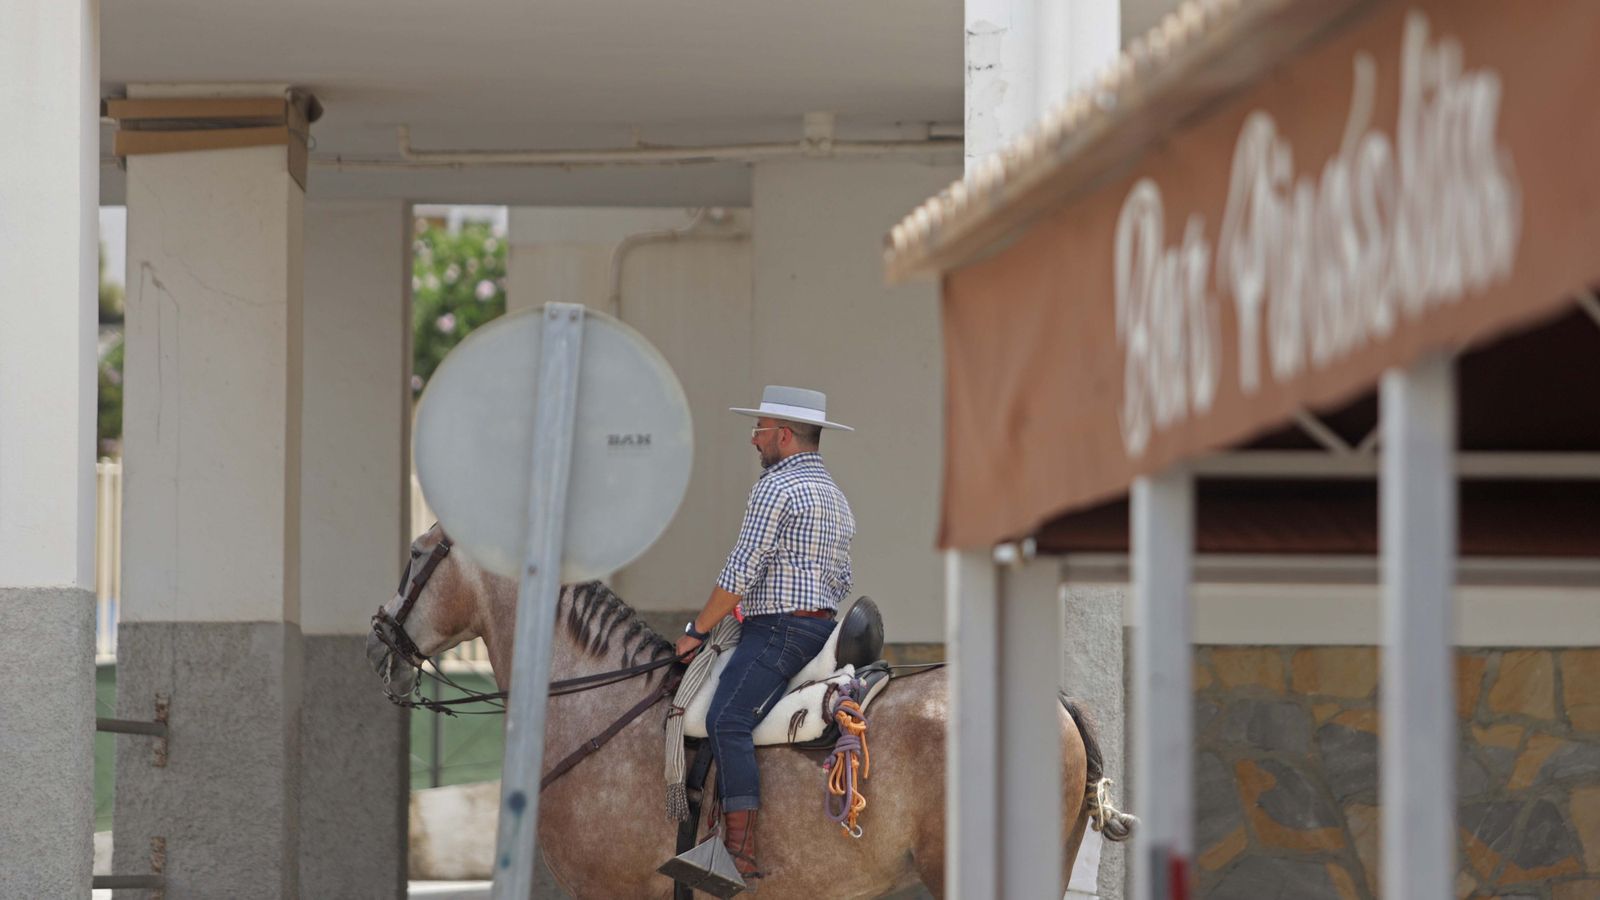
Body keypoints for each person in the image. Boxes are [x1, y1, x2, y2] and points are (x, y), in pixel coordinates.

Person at [674, 385, 855, 881]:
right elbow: (842, 579)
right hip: (819, 629)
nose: (754, 439)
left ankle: (738, 853)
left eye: (759, 430)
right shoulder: (835, 496)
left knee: (726, 719)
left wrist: (697, 629)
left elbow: (741, 569)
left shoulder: (775, 487)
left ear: (783, 435)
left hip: (777, 630)